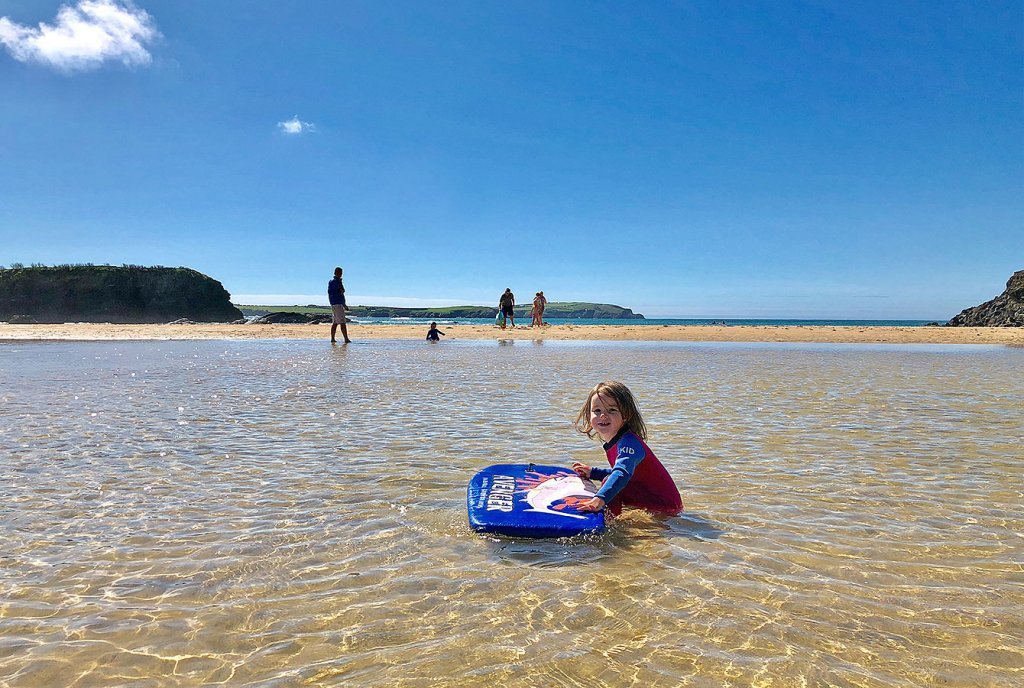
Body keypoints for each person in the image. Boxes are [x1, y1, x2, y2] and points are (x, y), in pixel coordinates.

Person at [570, 381, 683, 516]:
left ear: (626, 415)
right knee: (610, 479)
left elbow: (622, 474)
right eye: (597, 410)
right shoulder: (619, 441)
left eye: (612, 410)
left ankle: (610, 525)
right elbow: (629, 474)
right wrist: (594, 472)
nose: (603, 416)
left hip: (664, 506)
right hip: (657, 501)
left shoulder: (629, 443)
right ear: (589, 415)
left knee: (609, 482)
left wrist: (599, 499)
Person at [328, 267, 352, 344]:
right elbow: (341, 292)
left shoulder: (332, 282)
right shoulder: (336, 282)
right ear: (336, 273)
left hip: (333, 303)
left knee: (335, 322)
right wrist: (344, 304)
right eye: (340, 273)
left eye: (341, 273)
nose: (341, 274)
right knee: (342, 322)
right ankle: (346, 339)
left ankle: (332, 338)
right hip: (338, 303)